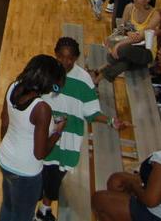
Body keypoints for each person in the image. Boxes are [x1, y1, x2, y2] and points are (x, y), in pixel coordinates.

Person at [38, 37, 127, 221]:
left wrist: (111, 121)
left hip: (68, 142)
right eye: (61, 57)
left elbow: (91, 112)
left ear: (76, 58)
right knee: (39, 175)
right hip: (44, 136)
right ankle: (37, 204)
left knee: (54, 177)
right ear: (55, 54)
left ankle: (44, 210)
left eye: (70, 58)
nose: (65, 62)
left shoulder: (84, 80)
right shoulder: (46, 73)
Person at [0, 55, 66, 221]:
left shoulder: (13, 87)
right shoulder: (41, 108)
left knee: (8, 206)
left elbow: (4, 122)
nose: (53, 87)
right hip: (26, 172)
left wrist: (7, 149)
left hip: (4, 158)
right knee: (23, 216)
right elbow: (40, 153)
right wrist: (57, 132)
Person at [93, 0, 161, 83]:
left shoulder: (155, 16)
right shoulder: (129, 8)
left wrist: (118, 45)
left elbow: (140, 37)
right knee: (124, 64)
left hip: (146, 51)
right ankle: (97, 80)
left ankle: (105, 65)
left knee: (122, 49)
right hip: (130, 46)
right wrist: (111, 37)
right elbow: (122, 28)